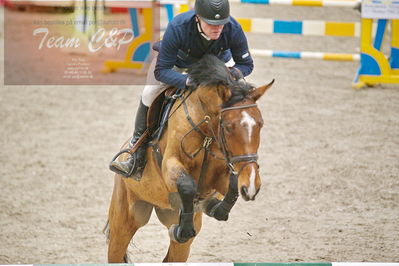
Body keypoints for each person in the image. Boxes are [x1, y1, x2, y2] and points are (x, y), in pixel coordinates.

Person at [110, 0, 254, 177]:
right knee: (149, 93)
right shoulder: (178, 26)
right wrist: (187, 80)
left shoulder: (232, 27)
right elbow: (162, 71)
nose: (217, 28)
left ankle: (239, 150)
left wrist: (235, 73)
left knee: (242, 90)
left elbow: (246, 64)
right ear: (197, 18)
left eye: (221, 24)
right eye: (211, 24)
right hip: (178, 65)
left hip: (217, 65)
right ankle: (136, 150)